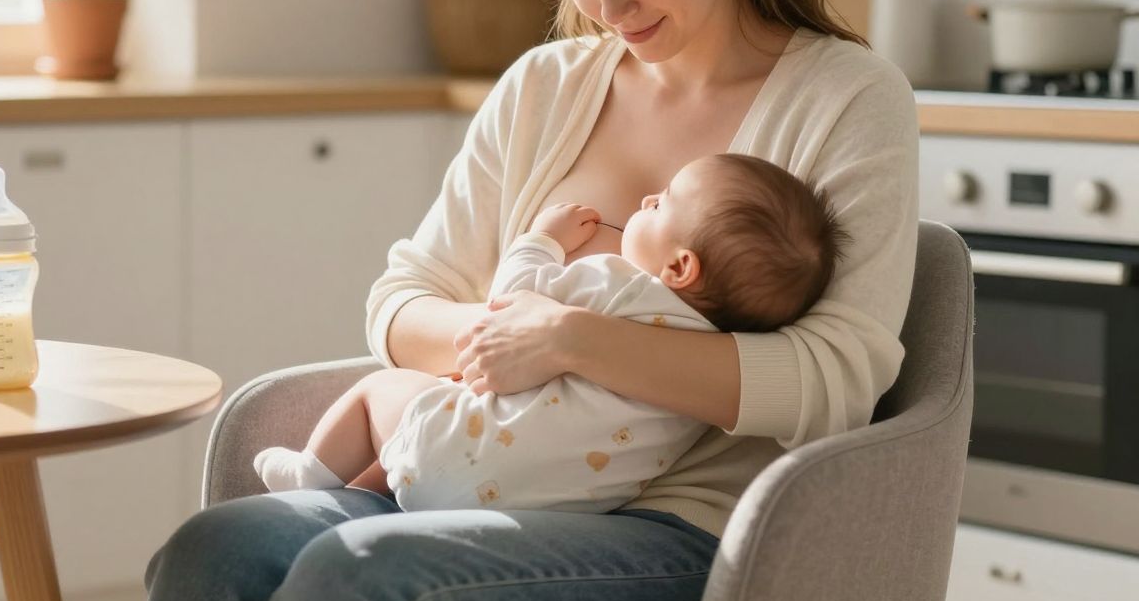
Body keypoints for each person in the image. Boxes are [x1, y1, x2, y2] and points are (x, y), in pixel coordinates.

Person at [142, 0, 919, 601]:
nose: (610, 7)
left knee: (360, 576)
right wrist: (506, 345)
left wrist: (571, 339)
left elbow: (840, 377)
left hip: (690, 534)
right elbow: (401, 303)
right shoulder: (544, 88)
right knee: (211, 553)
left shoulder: (848, 99)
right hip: (477, 484)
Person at [254, 153, 849, 515]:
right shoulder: (697, 375)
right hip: (548, 507)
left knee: (385, 392)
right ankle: (354, 497)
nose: (646, 198)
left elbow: (514, 304)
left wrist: (541, 239)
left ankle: (312, 473)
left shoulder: (616, 286)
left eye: (661, 203)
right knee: (455, 409)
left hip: (461, 452)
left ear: (679, 268)